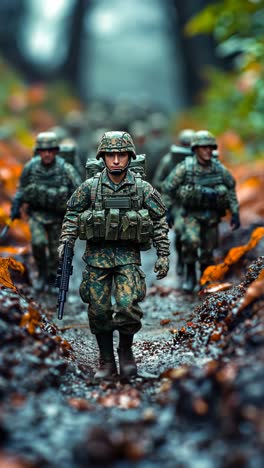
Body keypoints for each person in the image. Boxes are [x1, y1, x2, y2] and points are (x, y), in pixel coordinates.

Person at [58, 131, 170, 379]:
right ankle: (106, 359)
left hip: (127, 257)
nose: (116, 160)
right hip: (97, 258)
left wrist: (163, 254)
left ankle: (126, 352)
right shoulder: (90, 188)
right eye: (111, 155)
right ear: (103, 158)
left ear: (130, 157)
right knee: (98, 310)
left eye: (121, 154)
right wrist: (66, 243)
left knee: (128, 306)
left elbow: (159, 219)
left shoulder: (142, 189)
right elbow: (72, 215)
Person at [162, 130, 240, 293]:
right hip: (190, 215)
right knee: (190, 242)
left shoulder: (219, 169)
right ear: (195, 149)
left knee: (208, 250)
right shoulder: (185, 168)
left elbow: (231, 187)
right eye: (203, 148)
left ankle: (205, 278)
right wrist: (168, 210)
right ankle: (190, 273)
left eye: (210, 148)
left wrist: (235, 212)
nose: (207, 151)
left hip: (211, 215)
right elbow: (168, 187)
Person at [11, 131, 81, 292]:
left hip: (58, 217)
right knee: (38, 243)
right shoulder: (31, 167)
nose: (47, 154)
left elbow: (79, 191)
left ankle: (51, 277)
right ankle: (42, 274)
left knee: (56, 252)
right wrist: (16, 206)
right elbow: (21, 188)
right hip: (37, 215)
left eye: (51, 150)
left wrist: (76, 213)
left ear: (56, 151)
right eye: (44, 151)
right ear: (39, 151)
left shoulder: (66, 169)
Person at [153, 129, 195, 276]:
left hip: (195, 203)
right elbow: (158, 182)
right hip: (177, 203)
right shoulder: (169, 160)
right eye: (185, 144)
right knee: (180, 232)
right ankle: (182, 260)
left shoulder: (201, 161)